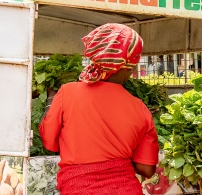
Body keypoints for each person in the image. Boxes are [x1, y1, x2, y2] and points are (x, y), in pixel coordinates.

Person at [39, 24, 159, 195]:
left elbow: (49, 142)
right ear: (127, 67)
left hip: (77, 189)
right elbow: (147, 169)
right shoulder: (140, 108)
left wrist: (51, 98)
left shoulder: (67, 93)